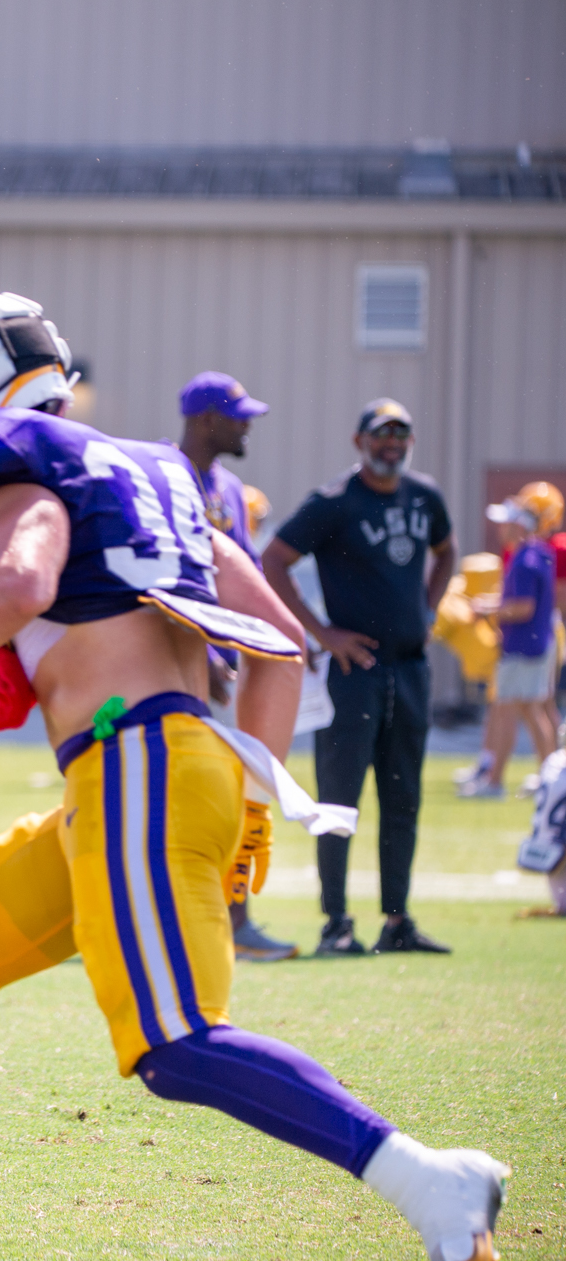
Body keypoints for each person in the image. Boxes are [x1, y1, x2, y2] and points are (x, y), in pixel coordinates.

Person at [0, 288, 508, 1261]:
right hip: (166, 764)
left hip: (136, 761)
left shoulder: (3, 455)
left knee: (173, 1043)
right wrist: (249, 797)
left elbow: (10, 585)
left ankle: (426, 1177)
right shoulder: (154, 471)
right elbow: (280, 648)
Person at [262, 399, 457, 957]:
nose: (392, 442)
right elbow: (272, 560)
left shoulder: (425, 495)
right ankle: (336, 923)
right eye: (381, 434)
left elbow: (447, 551)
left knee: (404, 797)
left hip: (410, 667)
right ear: (359, 441)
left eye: (402, 433)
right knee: (339, 798)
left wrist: (429, 608)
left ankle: (396, 922)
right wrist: (322, 634)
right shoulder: (333, 502)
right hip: (353, 671)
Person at [173, 371, 298, 962]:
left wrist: (260, 645)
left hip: (223, 662)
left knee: (240, 786)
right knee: (178, 792)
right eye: (238, 414)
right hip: (172, 663)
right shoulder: (165, 480)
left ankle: (234, 914)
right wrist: (200, 649)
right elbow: (164, 579)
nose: (248, 424)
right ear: (206, 421)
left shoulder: (230, 488)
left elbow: (242, 572)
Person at [462, 490, 560, 798]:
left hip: (523, 646)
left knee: (517, 710)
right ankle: (548, 780)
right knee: (531, 710)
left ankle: (495, 782)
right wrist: (493, 604)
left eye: (506, 523)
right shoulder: (537, 553)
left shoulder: (525, 560)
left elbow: (523, 607)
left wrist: (487, 609)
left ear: (519, 526)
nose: (500, 529)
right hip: (533, 644)